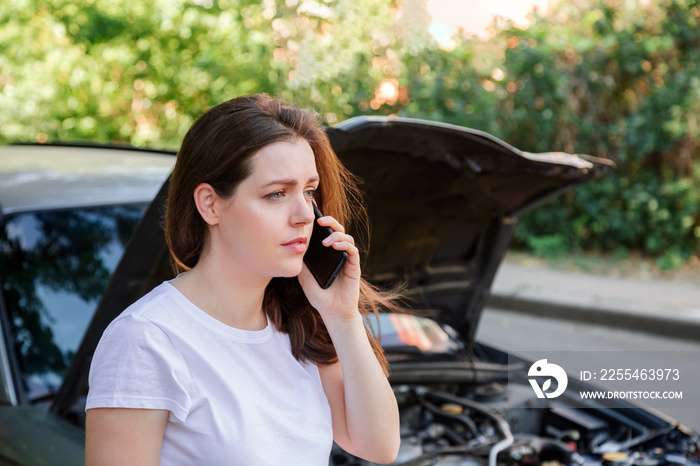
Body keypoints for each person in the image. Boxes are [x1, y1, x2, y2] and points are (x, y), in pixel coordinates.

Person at [84, 94, 402, 465]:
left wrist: (342, 317)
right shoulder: (145, 340)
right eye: (277, 194)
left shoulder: (300, 322)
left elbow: (379, 446)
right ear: (210, 204)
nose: (305, 215)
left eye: (309, 191)